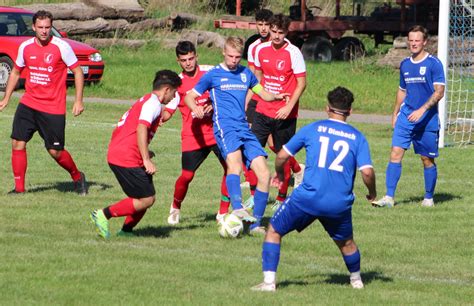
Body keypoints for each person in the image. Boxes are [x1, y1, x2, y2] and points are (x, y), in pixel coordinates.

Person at [251, 87, 377, 292]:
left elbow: (282, 156)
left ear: (327, 108)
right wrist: (372, 193)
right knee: (346, 243)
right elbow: (368, 173)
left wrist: (282, 175)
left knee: (274, 231)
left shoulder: (313, 129)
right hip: (338, 203)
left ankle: (268, 283)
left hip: (307, 198)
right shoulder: (357, 137)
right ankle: (356, 281)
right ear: (350, 111)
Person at [184, 36, 289, 234]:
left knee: (264, 174)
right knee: (235, 166)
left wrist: (276, 96)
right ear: (224, 53)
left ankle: (256, 224)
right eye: (231, 56)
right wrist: (195, 109)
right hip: (225, 127)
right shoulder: (213, 75)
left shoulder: (246, 74)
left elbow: (262, 92)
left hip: (243, 128)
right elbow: (190, 96)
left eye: (237, 57)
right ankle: (238, 208)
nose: (234, 60)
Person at [0, 10, 87, 195]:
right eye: (40, 27)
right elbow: (16, 72)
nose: (44, 31)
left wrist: (78, 100)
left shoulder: (61, 47)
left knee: (55, 152)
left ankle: (78, 176)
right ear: (33, 27)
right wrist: (6, 97)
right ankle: (20, 190)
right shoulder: (25, 47)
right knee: (17, 142)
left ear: (51, 27)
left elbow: (78, 72)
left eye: (48, 27)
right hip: (29, 103)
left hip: (52, 108)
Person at [90, 70, 181, 239]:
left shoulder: (147, 100)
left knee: (144, 197)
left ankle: (126, 231)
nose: (173, 97)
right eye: (174, 93)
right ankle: (103, 214)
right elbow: (141, 128)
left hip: (125, 153)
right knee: (146, 199)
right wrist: (146, 159)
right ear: (167, 89)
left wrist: (146, 151)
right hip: (125, 157)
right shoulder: (153, 104)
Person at [372, 25, 445, 208]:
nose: (413, 44)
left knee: (426, 159)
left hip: (427, 118)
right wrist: (395, 112)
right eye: (411, 40)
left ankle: (428, 198)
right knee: (395, 153)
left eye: (417, 40)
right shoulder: (405, 64)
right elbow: (402, 90)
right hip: (406, 116)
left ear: (425, 42)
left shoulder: (433, 64)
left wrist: (422, 110)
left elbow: (439, 92)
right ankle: (389, 197)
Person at [162, 41, 230, 225]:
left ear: (196, 56)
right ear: (178, 61)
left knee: (231, 169)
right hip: (193, 136)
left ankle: (223, 212)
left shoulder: (211, 72)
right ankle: (175, 207)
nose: (188, 63)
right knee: (187, 176)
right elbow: (168, 111)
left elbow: (226, 94)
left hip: (216, 132)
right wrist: (157, 118)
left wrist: (213, 104)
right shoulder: (176, 83)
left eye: (191, 58)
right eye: (184, 60)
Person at [243, 10, 304, 209]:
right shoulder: (261, 50)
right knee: (251, 151)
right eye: (274, 31)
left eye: (281, 32)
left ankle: (281, 198)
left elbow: (301, 83)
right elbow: (258, 79)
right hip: (262, 109)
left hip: (284, 112)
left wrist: (289, 106)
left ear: (287, 32)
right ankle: (254, 194)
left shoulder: (293, 53)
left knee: (282, 155)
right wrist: (247, 101)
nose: (276, 36)